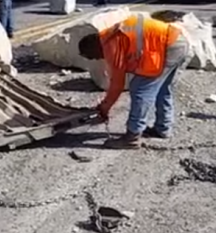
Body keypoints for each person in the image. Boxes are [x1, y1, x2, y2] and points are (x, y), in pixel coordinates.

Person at [78, 13, 191, 149]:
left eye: (95, 57)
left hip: (168, 46)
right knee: (162, 89)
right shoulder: (110, 36)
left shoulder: (111, 45)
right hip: (176, 41)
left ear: (95, 49)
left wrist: (105, 107)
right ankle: (163, 128)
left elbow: (117, 85)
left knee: (140, 89)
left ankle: (132, 137)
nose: (99, 59)